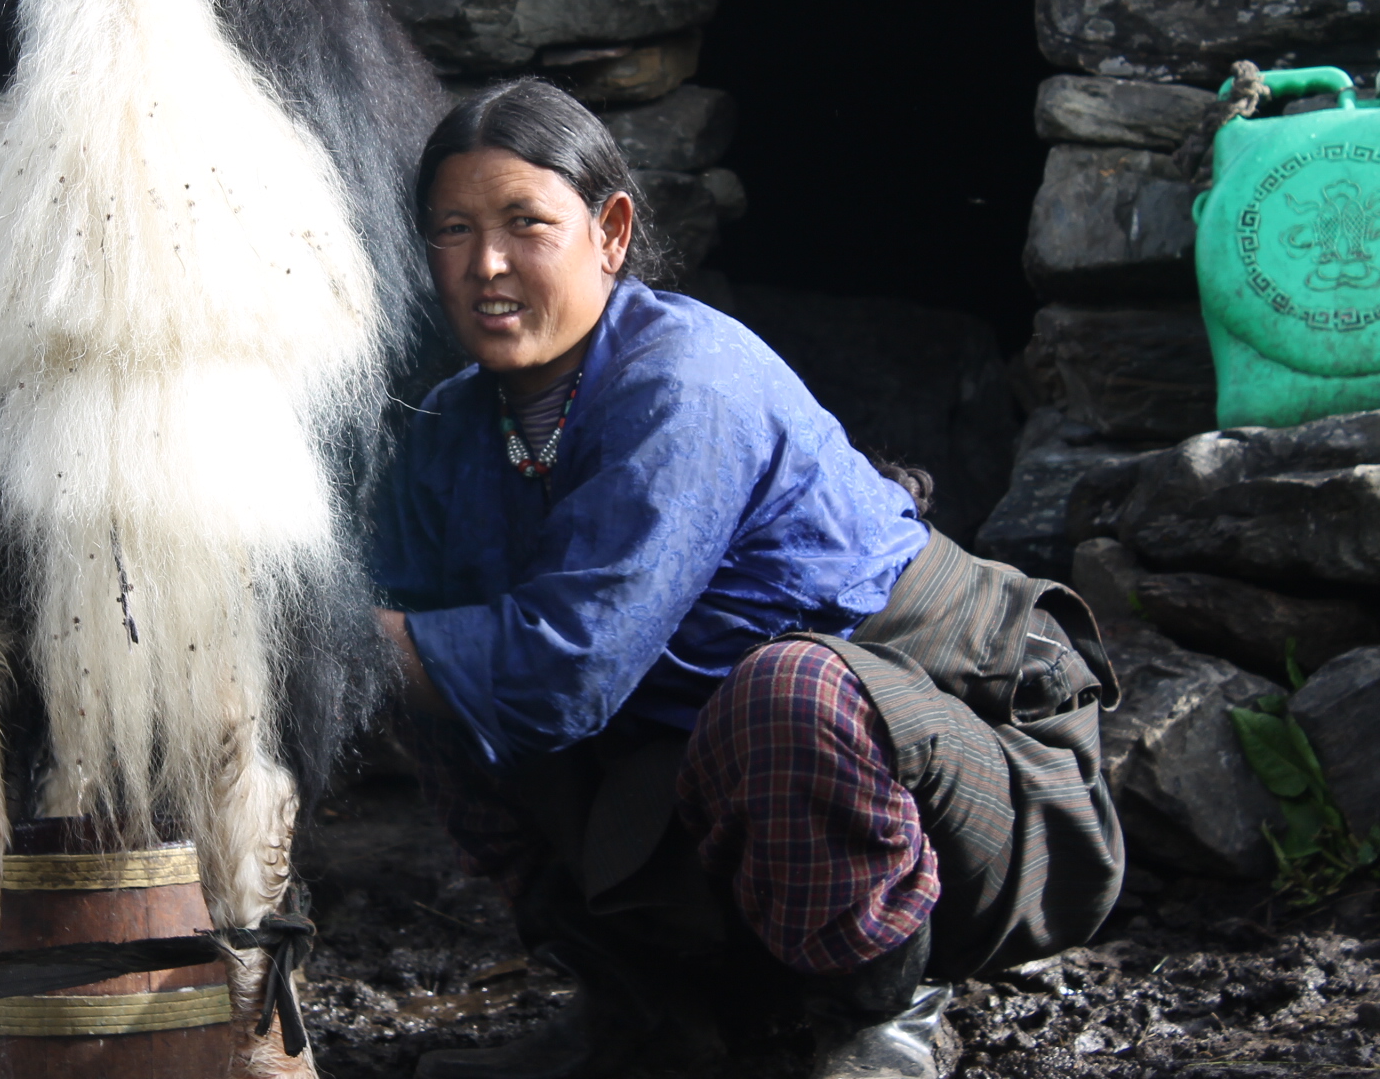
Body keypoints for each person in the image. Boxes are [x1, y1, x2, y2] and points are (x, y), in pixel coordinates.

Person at [372, 80, 1122, 1079]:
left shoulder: (684, 381)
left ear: (612, 231)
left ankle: (882, 1014)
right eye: (453, 230)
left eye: (526, 223)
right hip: (717, 791)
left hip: (966, 782)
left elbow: (564, 670)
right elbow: (412, 629)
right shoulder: (454, 429)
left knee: (786, 692)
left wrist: (334, 641)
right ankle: (642, 1016)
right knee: (430, 684)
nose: (488, 265)